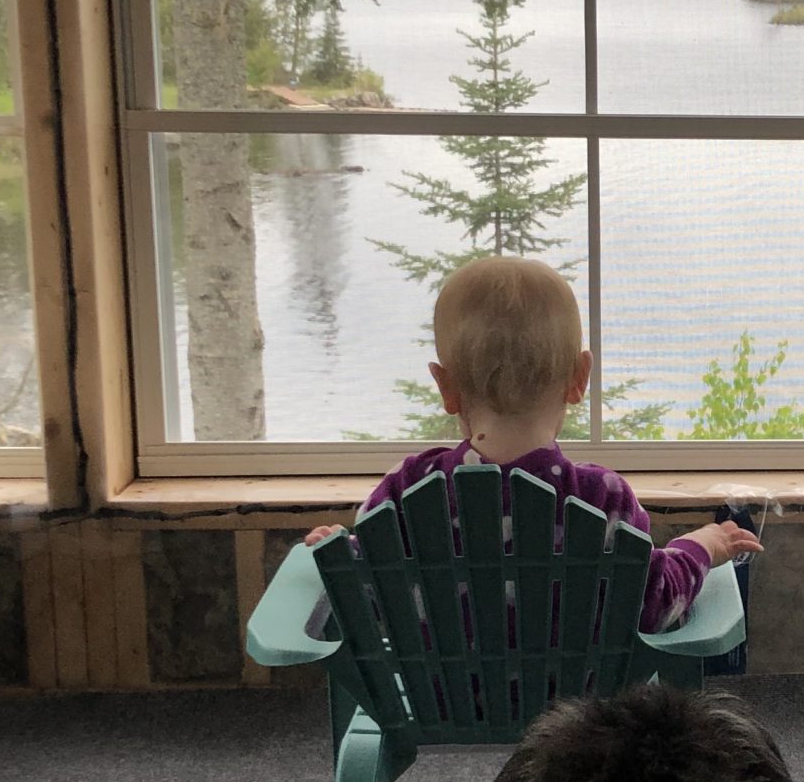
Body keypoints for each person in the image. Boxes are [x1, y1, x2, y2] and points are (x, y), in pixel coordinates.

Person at [305, 256, 758, 629]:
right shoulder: (602, 498)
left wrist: (339, 554)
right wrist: (703, 546)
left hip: (439, 702)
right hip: (577, 715)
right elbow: (654, 604)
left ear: (445, 388)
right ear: (580, 379)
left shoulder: (406, 490)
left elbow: (368, 597)